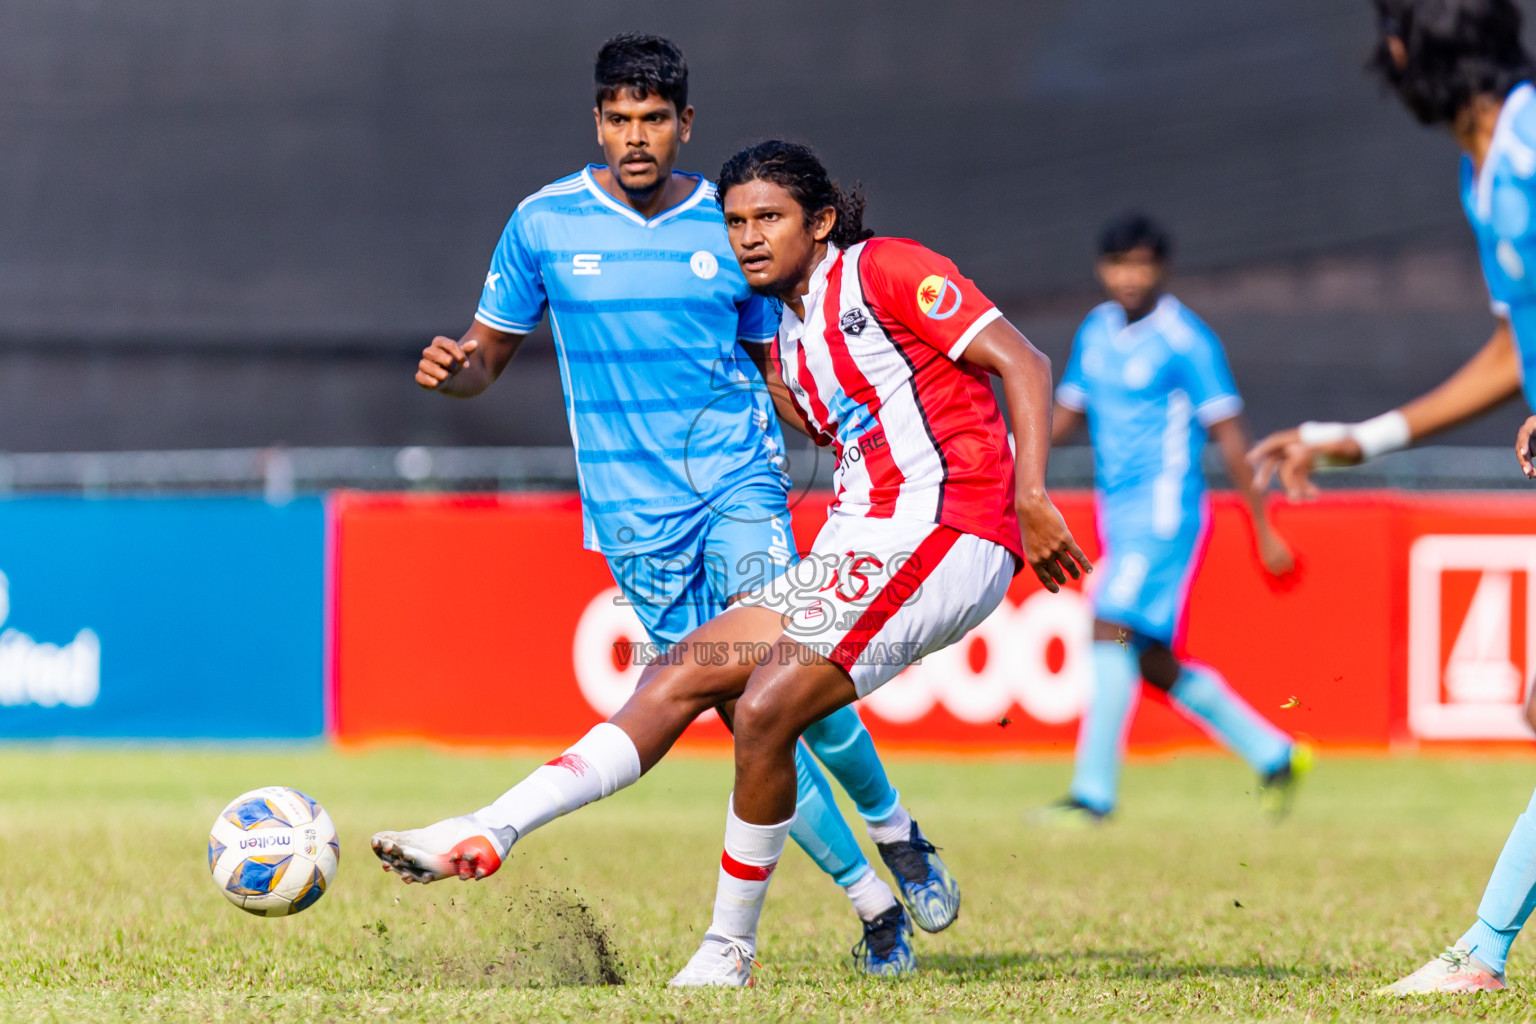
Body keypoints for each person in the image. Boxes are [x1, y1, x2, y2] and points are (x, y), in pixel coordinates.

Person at [375, 139, 1089, 987]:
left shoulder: (887, 270)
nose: (748, 237)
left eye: (769, 219)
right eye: (736, 221)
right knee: (683, 676)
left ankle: (730, 950)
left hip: (946, 530)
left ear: (819, 221)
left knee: (763, 711)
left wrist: (1034, 496)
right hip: (861, 542)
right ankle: (490, 828)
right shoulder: (787, 342)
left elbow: (1024, 360)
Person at [1248, 0, 1536, 996]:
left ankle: (1481, 955)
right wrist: (1356, 440)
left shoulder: (1533, 138)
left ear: (1420, 55)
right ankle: (1484, 953)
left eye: (1393, 45)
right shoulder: (1484, 171)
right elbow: (1512, 349)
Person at [1032, 213, 1311, 828]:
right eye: (1119, 264)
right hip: (1117, 518)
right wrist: (1015, 465)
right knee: (1149, 656)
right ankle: (1275, 753)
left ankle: (1092, 795)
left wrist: (1262, 525)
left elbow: (1232, 439)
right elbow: (1067, 416)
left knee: (1108, 626)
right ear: (1103, 270)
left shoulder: (1187, 340)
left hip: (1165, 515)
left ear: (1161, 269)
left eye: (1142, 264)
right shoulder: (1097, 331)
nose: (1130, 277)